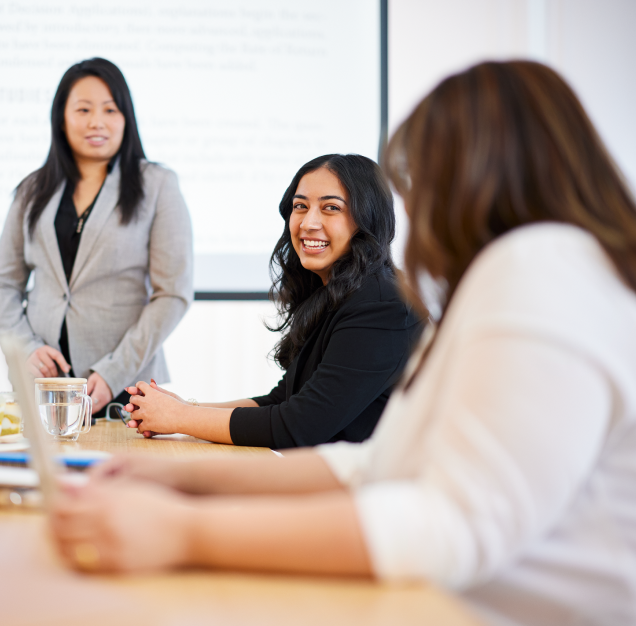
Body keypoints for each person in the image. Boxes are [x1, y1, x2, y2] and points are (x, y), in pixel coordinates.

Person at [50, 60, 636, 626]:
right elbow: (377, 464)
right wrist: (175, 477)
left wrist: (182, 530)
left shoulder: (540, 269)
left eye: (425, 181)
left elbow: (449, 525)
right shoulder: (530, 273)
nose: (418, 206)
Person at [122, 154, 422, 448]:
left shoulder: (383, 305)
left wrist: (182, 417)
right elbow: (282, 400)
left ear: (367, 219)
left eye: (331, 208)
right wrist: (186, 408)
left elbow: (299, 425)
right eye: (300, 207)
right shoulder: (336, 293)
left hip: (365, 492)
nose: (308, 223)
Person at [0, 58, 193, 415]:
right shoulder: (31, 190)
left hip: (126, 389)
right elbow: (1, 285)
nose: (97, 121)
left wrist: (114, 372)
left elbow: (172, 294)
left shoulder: (157, 185)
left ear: (126, 118)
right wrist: (26, 349)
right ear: (61, 118)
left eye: (110, 109)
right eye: (83, 109)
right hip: (43, 388)